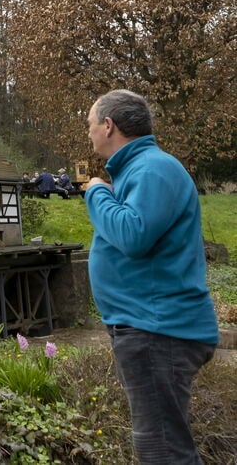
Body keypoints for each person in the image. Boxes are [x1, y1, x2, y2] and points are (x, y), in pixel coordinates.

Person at [85, 89, 217, 464]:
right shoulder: (139, 170)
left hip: (158, 329)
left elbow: (133, 234)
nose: (89, 133)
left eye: (91, 125)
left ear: (108, 126)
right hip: (148, 327)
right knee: (162, 444)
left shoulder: (153, 169)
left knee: (163, 451)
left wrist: (96, 193)